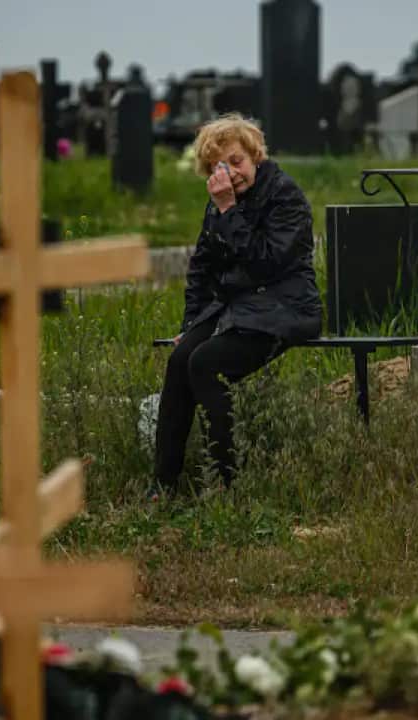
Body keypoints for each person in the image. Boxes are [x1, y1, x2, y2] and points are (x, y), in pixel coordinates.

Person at [153, 114, 322, 491]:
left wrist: (230, 211)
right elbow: (201, 270)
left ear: (255, 155)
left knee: (206, 363)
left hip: (286, 307)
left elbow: (265, 263)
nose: (230, 173)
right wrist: (190, 326)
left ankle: (226, 480)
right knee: (181, 359)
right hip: (240, 309)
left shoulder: (285, 195)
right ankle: (163, 483)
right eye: (217, 167)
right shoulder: (218, 205)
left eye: (236, 161)